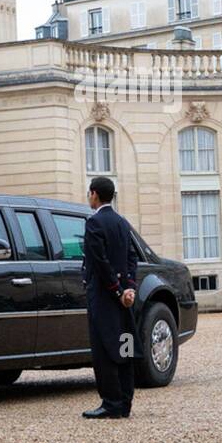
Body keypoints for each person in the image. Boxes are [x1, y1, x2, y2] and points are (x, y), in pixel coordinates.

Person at [80, 176, 138, 420]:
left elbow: (100, 262)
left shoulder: (94, 224)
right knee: (125, 345)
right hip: (125, 298)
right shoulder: (122, 222)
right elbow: (132, 257)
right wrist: (129, 289)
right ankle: (125, 401)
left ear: (94, 194)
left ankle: (111, 403)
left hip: (105, 298)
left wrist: (115, 290)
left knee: (104, 350)